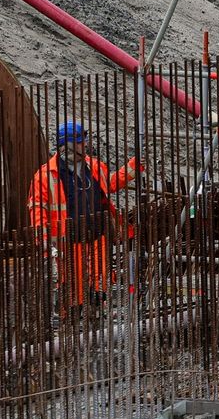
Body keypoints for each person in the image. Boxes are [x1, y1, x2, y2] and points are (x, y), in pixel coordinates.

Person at [27, 121, 139, 310]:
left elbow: (109, 183)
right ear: (68, 145)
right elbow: (37, 208)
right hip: (69, 240)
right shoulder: (46, 175)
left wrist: (132, 168)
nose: (85, 144)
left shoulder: (94, 167)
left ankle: (97, 315)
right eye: (80, 142)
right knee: (73, 286)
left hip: (96, 235)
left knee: (99, 281)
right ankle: (74, 320)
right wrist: (43, 238)